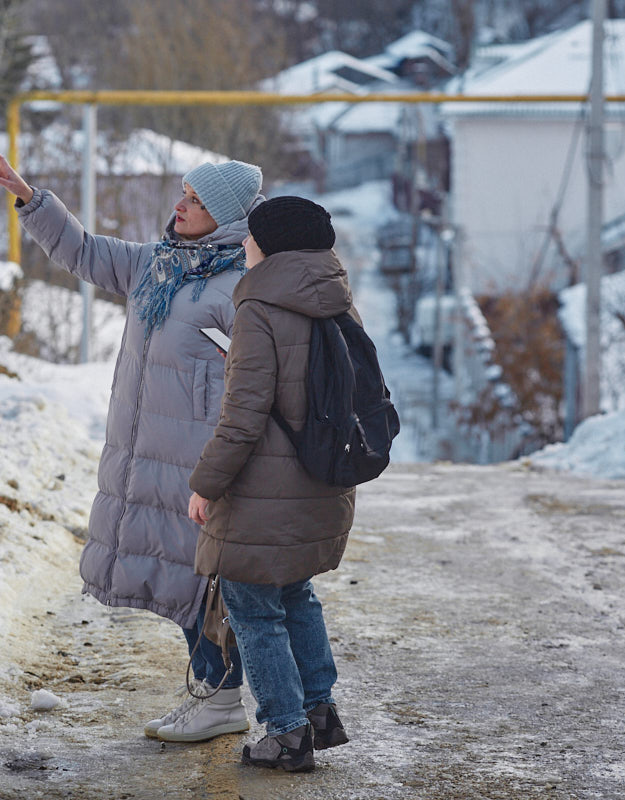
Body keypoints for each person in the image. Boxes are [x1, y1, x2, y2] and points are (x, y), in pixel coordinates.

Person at [0, 148, 262, 742]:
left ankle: (225, 697)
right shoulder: (159, 265)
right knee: (182, 581)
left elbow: (257, 384)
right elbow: (84, 252)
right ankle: (212, 694)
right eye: (183, 194)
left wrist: (227, 466)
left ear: (227, 215)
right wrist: (31, 199)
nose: (179, 205)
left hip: (201, 466)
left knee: (206, 586)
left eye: (195, 200)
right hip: (148, 457)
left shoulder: (240, 287)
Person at [187, 195, 356, 773]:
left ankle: (285, 733)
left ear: (273, 245)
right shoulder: (337, 301)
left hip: (262, 493)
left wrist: (205, 485)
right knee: (296, 595)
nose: (243, 244)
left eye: (251, 236)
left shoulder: (258, 307)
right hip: (320, 482)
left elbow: (243, 416)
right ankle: (319, 709)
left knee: (253, 608)